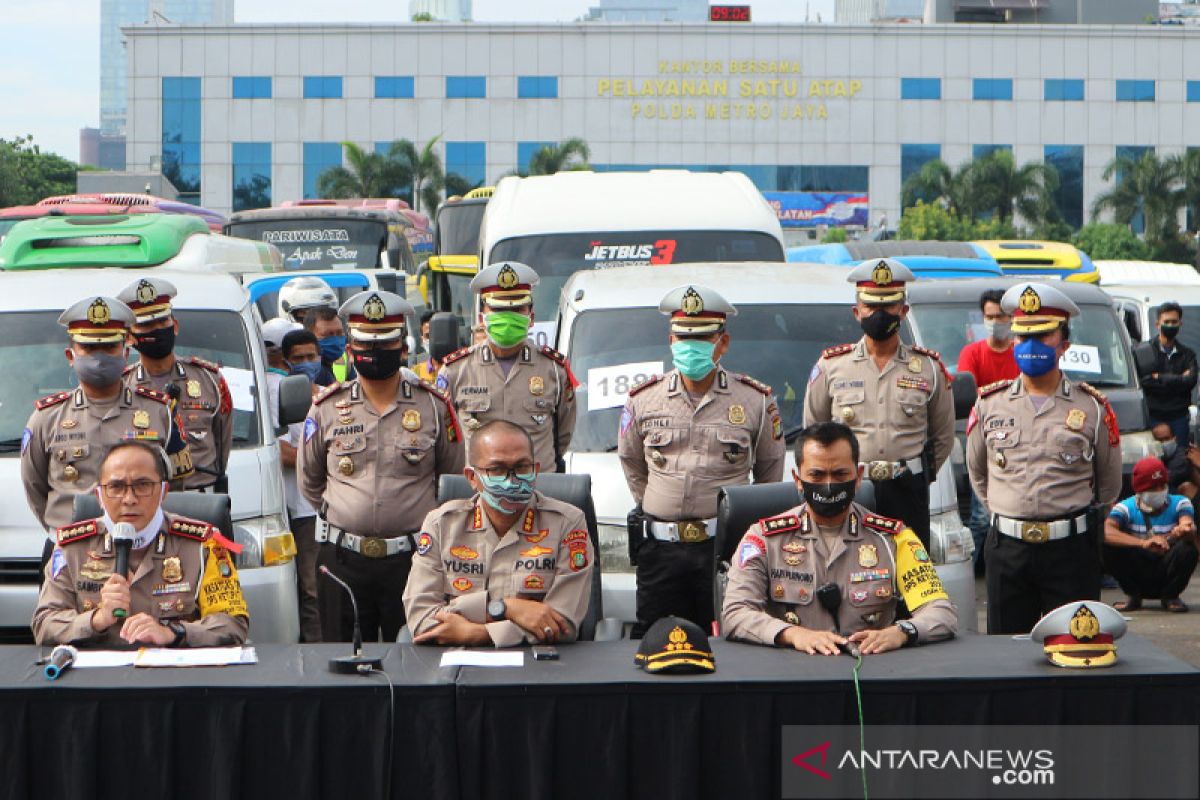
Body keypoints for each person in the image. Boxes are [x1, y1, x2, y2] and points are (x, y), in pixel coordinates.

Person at [619, 284, 786, 638]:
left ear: (722, 343)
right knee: (657, 642)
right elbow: (631, 461)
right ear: (670, 340)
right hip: (660, 550)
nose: (689, 347)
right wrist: (657, 502)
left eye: (702, 339)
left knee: (731, 640)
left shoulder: (755, 400)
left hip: (724, 550)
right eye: (683, 338)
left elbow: (770, 474)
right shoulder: (642, 400)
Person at [299, 291, 464, 643]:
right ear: (350, 349)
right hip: (341, 558)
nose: (374, 353)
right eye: (365, 344)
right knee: (340, 663)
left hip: (412, 560)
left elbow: (450, 480)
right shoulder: (327, 407)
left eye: (385, 344)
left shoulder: (433, 406)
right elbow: (310, 482)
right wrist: (350, 514)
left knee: (413, 662)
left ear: (403, 349)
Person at [967, 282, 1123, 634]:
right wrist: (1008, 509)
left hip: (1070, 550)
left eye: (1043, 335)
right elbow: (979, 473)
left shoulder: (1092, 408)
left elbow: (1109, 485)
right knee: (1007, 655)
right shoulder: (989, 403)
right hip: (1007, 548)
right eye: (1023, 337)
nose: (1030, 345)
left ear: (1064, 344)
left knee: (1073, 650)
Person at [722, 422, 957, 654]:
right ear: (797, 479)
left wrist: (902, 631)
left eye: (840, 474)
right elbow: (735, 613)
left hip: (869, 673)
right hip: (793, 674)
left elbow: (941, 612)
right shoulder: (763, 539)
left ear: (858, 477)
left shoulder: (894, 538)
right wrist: (792, 634)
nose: (828, 485)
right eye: (816, 474)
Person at [32, 441, 249, 647]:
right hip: (97, 678)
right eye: (116, 487)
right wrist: (97, 619)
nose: (129, 499)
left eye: (142, 485)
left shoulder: (203, 544)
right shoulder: (72, 548)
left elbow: (232, 623)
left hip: (174, 676)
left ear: (163, 492)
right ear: (99, 495)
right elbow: (45, 623)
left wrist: (173, 633)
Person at [803, 258, 954, 546]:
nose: (879, 313)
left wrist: (918, 476)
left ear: (903, 311)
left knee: (907, 575)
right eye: (871, 306)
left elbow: (943, 437)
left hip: (906, 490)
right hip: (851, 489)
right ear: (857, 312)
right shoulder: (832, 366)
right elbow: (815, 430)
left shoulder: (928, 368)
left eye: (889, 306)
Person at [21, 296, 193, 547]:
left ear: (125, 352)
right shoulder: (46, 418)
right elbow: (34, 488)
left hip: (143, 549)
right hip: (71, 550)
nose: (100, 357)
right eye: (89, 349)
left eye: (110, 347)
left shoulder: (159, 411)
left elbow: (175, 485)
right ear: (71, 355)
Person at [404, 420, 594, 646]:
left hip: (538, 666)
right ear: (472, 478)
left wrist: (478, 634)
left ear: (536, 470)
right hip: (458, 666)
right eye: (497, 470)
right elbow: (422, 618)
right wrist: (509, 608)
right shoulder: (441, 524)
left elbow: (562, 624)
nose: (511, 480)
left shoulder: (567, 523)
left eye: (522, 467)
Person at [438, 262, 577, 472]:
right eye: (499, 309)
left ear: (530, 318)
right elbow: (444, 441)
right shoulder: (455, 371)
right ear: (481, 318)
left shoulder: (555, 370)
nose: (508, 316)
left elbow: (562, 437)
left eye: (516, 309)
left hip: (538, 489)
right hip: (479, 493)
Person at [118, 277, 233, 492]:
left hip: (200, 499)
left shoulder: (210, 380)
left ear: (175, 326)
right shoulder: (122, 387)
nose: (158, 329)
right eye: (147, 325)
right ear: (130, 338)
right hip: (144, 500)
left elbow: (222, 444)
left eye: (163, 322)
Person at [956, 289, 1020, 576]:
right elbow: (970, 393)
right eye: (990, 316)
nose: (996, 322)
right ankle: (968, 573)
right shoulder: (973, 353)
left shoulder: (1021, 352)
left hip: (1019, 442)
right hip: (984, 440)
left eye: (1001, 316)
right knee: (981, 516)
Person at [1103, 456, 1197, 613]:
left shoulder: (1180, 503)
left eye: (1162, 486)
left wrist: (1185, 530)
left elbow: (1187, 523)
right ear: (1140, 490)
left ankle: (1171, 596)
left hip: (1167, 567)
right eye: (1153, 488)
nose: (1159, 491)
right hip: (1139, 568)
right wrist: (1142, 543)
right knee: (1107, 546)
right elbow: (1106, 531)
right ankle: (1133, 595)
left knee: (1188, 548)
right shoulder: (1125, 507)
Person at [280, 328, 322, 642]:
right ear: (286, 362)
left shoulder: (330, 396)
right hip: (299, 507)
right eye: (299, 358)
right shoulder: (281, 395)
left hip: (323, 508)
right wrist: (321, 460)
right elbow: (281, 452)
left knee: (318, 586)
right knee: (308, 586)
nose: (307, 363)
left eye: (311, 356)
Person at [1134, 302, 1197, 453]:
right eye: (1166, 322)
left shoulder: (1187, 354)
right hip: (1153, 417)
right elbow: (1144, 382)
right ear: (1157, 324)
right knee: (1153, 463)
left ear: (1180, 324)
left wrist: (1160, 377)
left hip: (1179, 418)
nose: (1170, 325)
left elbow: (1190, 381)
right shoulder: (1144, 351)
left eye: (1174, 322)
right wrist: (1178, 379)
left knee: (1180, 460)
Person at [957, 289, 1019, 388]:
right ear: (984, 318)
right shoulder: (971, 353)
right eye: (990, 317)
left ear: (1011, 317)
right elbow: (967, 392)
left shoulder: (1021, 353)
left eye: (999, 316)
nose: (994, 322)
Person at [303, 306, 356, 386]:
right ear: (310, 338)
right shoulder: (308, 369)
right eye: (328, 335)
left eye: (339, 333)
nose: (336, 339)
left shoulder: (347, 360)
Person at [1151, 421, 1195, 496]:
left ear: (1174, 439)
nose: (1164, 443)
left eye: (1167, 438)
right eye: (1160, 440)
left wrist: (1153, 464)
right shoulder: (1152, 455)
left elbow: (1165, 478)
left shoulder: (1183, 456)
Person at [414, 309, 440, 383]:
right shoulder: (416, 369)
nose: (432, 340)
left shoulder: (458, 366)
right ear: (422, 339)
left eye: (435, 335)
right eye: (428, 336)